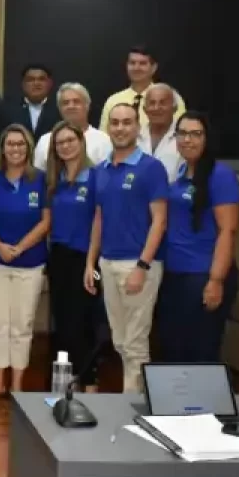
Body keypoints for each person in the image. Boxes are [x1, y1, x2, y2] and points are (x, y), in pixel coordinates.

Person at [85, 104, 169, 393]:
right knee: (120, 340)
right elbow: (99, 217)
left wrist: (142, 267)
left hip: (139, 265)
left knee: (135, 342)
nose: (120, 128)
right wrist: (90, 263)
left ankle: (134, 408)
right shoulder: (101, 170)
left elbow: (159, 220)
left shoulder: (151, 168)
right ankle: (131, 400)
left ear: (137, 128)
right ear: (109, 127)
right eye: (115, 123)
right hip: (107, 264)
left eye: (127, 123)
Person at [156, 112, 239, 363]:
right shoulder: (182, 172)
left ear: (207, 138)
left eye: (195, 134)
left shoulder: (220, 175)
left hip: (202, 277)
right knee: (172, 351)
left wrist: (215, 280)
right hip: (174, 276)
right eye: (182, 133)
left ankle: (203, 405)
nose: (187, 140)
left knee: (200, 354)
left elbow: (228, 230)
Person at [0, 124, 50, 403]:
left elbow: (46, 221)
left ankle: (17, 385)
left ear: (28, 149)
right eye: (10, 144)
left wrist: (19, 247)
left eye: (21, 144)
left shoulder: (41, 179)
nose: (16, 149)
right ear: (2, 149)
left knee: (23, 324)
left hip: (30, 262)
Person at [45, 122, 104, 392]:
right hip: (59, 257)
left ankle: (89, 383)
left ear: (81, 141)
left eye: (70, 140)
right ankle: (65, 383)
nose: (65, 146)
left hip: (86, 257)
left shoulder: (95, 176)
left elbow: (99, 221)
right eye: (60, 142)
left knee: (84, 323)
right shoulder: (53, 180)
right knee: (62, 322)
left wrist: (90, 263)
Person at [98, 45, 187, 131]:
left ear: (154, 68)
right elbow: (104, 138)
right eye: (132, 63)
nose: (136, 68)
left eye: (142, 63)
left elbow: (182, 131)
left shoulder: (171, 97)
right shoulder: (113, 101)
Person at [33, 83, 112, 169]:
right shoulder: (45, 141)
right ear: (59, 108)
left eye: (76, 102)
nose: (71, 106)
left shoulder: (103, 140)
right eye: (65, 103)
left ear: (87, 106)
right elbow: (37, 176)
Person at [0, 63, 60, 144]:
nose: (36, 83)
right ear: (23, 84)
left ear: (50, 83)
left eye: (41, 79)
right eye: (30, 79)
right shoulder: (5, 110)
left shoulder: (59, 110)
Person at [138, 83, 183, 183]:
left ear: (174, 108)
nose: (156, 108)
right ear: (145, 110)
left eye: (162, 103)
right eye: (152, 103)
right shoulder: (134, 137)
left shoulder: (185, 137)